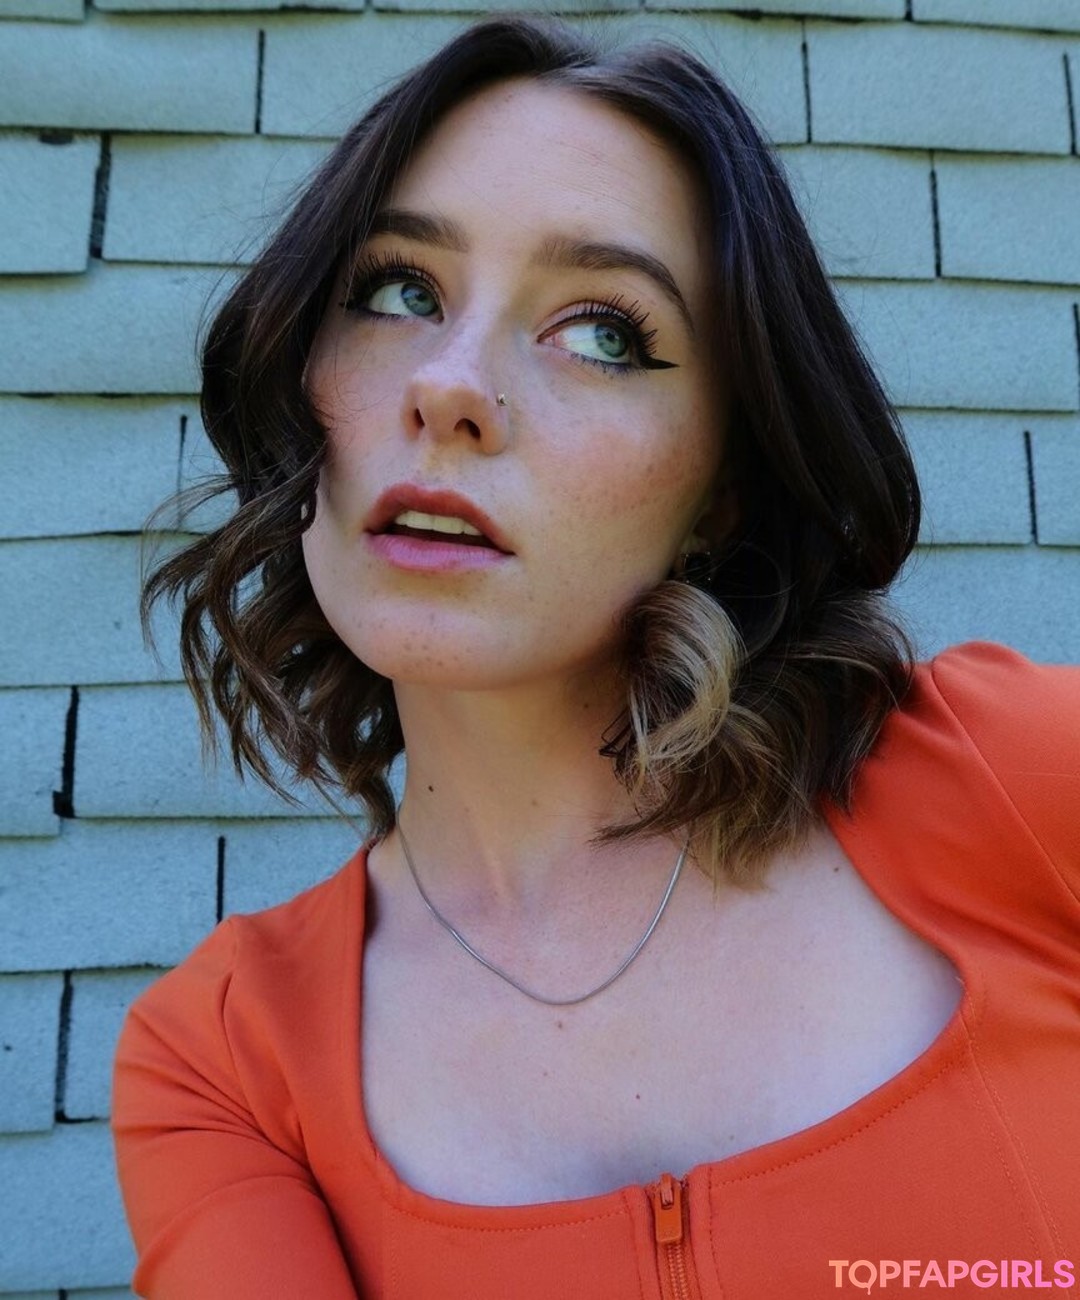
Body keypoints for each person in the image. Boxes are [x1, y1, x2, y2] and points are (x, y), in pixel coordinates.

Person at [112, 14, 1080, 1299]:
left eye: (603, 332)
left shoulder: (1024, 778)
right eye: (400, 291)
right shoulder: (222, 1060)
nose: (449, 386)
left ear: (722, 487)